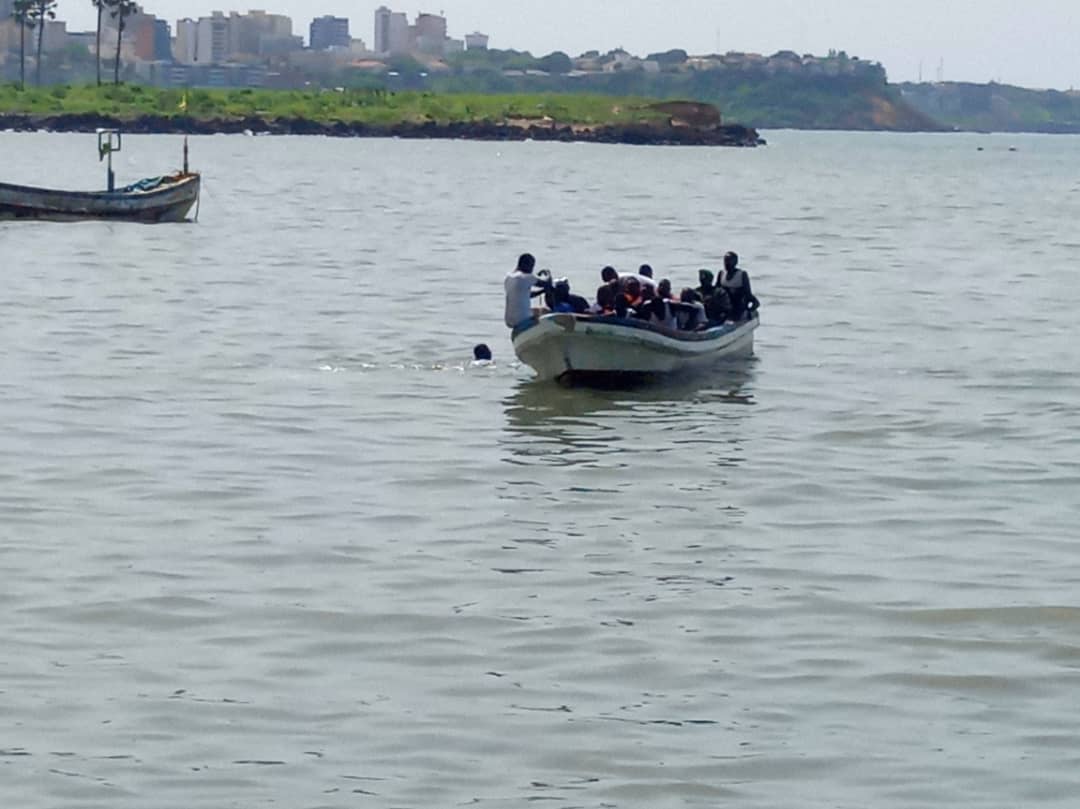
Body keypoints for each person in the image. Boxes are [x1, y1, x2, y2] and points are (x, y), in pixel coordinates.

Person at [504, 253, 546, 329]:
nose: (532, 270)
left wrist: (542, 291)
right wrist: (546, 274)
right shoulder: (527, 277)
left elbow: (527, 295)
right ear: (527, 265)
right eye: (532, 266)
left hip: (509, 321)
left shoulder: (509, 277)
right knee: (545, 311)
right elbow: (547, 284)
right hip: (522, 319)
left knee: (536, 310)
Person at [718, 252, 760, 320]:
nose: (727, 263)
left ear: (736, 262)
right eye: (725, 260)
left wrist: (749, 310)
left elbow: (747, 293)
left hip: (737, 305)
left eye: (729, 260)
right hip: (725, 304)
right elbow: (716, 291)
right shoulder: (721, 273)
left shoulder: (741, 274)